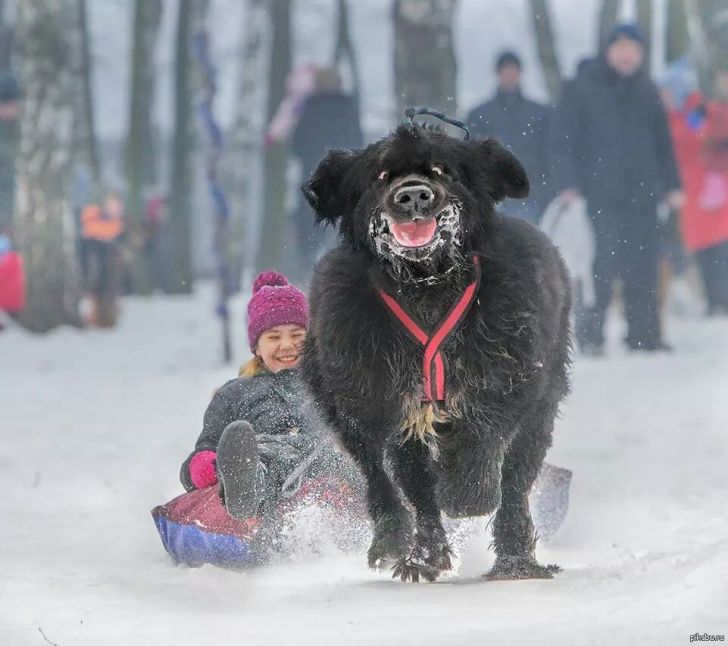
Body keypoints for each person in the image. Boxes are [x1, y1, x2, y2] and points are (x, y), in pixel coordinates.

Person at [551, 24, 683, 354]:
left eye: (633, 48)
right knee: (600, 265)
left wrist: (672, 185)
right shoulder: (582, 87)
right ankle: (592, 337)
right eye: (621, 47)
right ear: (608, 51)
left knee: (643, 264)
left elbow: (662, 144)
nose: (627, 55)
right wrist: (567, 183)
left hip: (643, 194)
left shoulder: (648, 90)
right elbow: (562, 140)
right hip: (598, 195)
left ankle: (644, 334)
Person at [180, 270, 351, 521]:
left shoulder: (334, 384)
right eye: (273, 337)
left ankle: (362, 511)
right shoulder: (235, 393)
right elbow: (206, 448)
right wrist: (209, 467)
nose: (286, 345)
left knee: (346, 456)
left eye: (297, 335)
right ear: (257, 348)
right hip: (268, 461)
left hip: (326, 459)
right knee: (264, 459)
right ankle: (246, 491)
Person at [665, 67, 728, 316]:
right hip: (689, 191)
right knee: (702, 246)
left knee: (720, 245)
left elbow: (705, 136)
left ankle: (721, 298)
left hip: (714, 187)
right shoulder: (672, 114)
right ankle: (714, 298)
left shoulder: (701, 110)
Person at [291, 67, 362, 280]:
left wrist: (312, 156)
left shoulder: (309, 107)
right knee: (341, 223)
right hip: (343, 176)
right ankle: (341, 269)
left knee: (309, 223)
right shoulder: (347, 106)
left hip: (313, 176)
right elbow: (357, 140)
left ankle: (307, 267)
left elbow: (297, 143)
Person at [466, 50, 553, 223]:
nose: (509, 75)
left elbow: (549, 151)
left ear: (520, 73)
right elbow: (470, 155)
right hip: (494, 193)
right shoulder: (479, 114)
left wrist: (548, 186)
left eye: (513, 70)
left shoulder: (539, 113)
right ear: (498, 73)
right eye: (505, 70)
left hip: (532, 191)